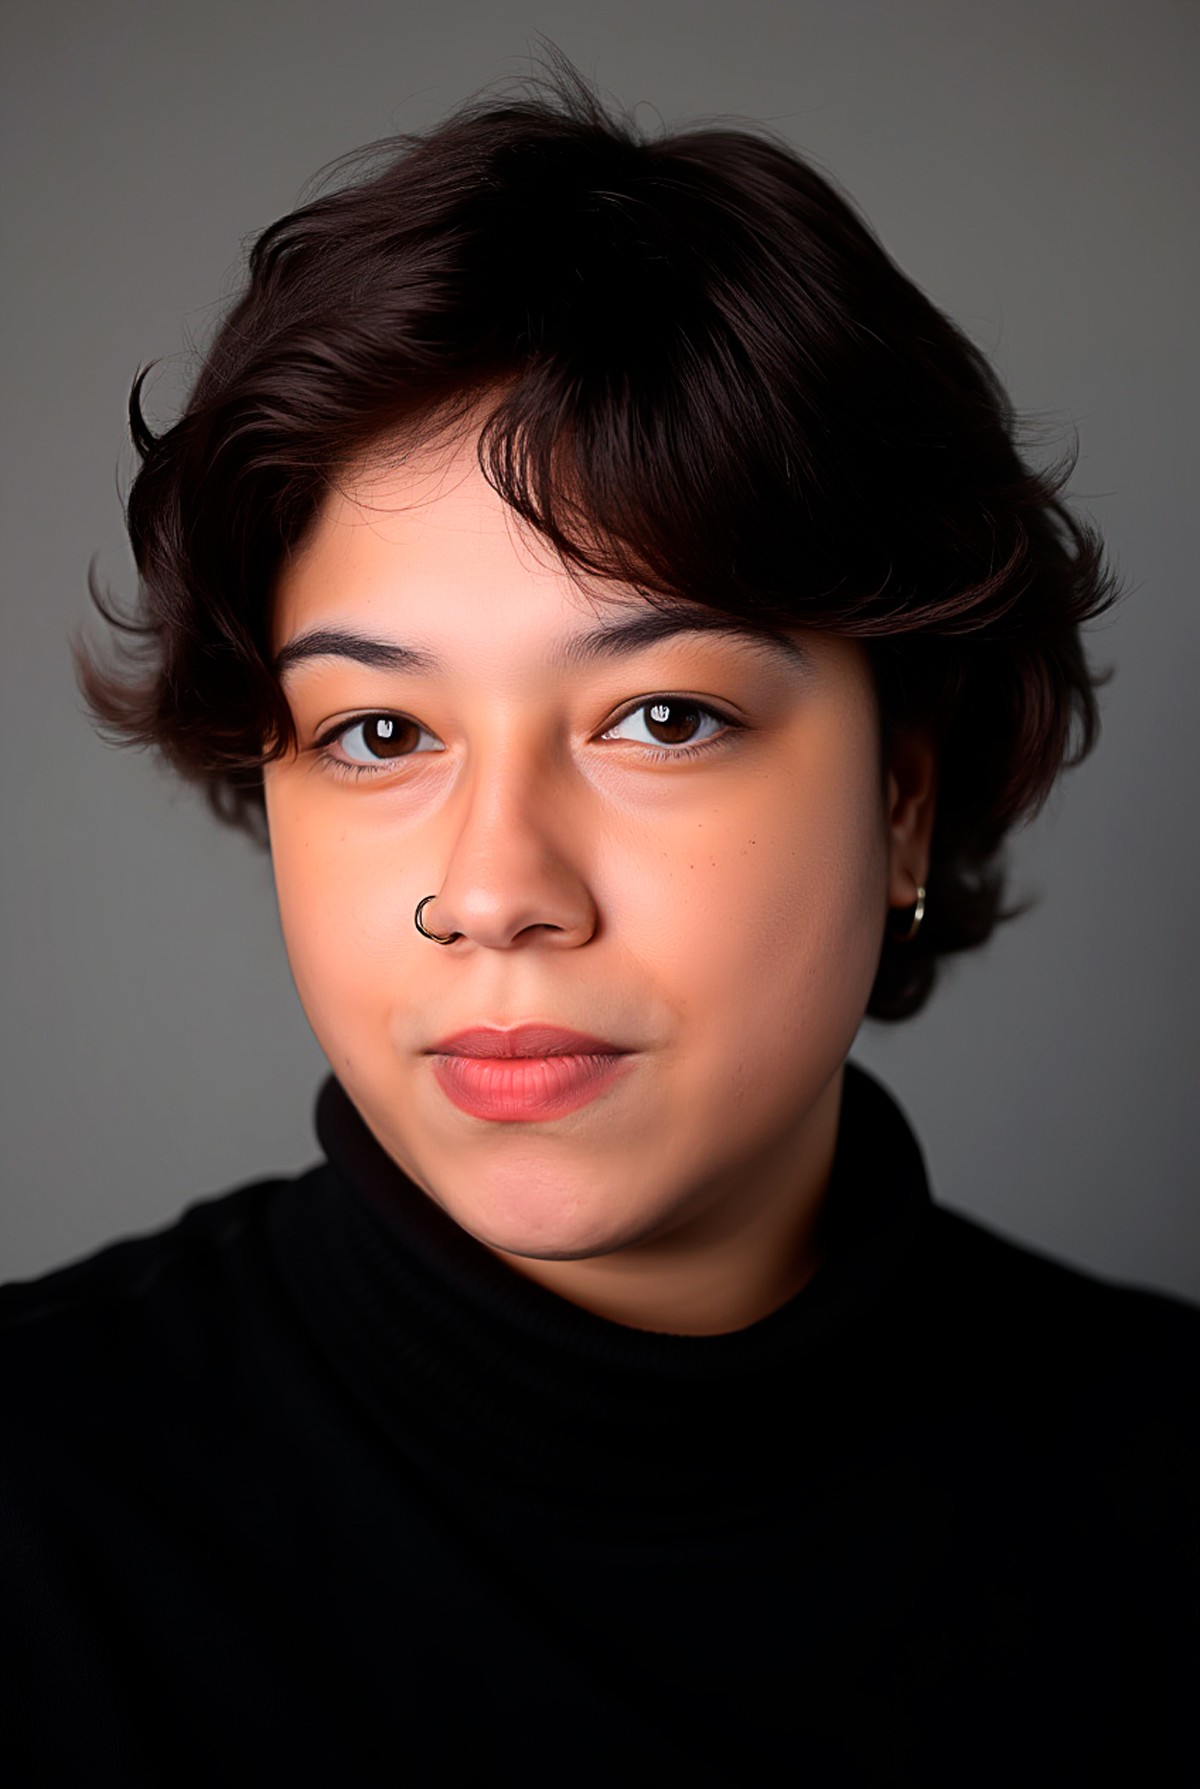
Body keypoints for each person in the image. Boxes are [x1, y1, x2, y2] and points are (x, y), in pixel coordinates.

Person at [2, 52, 1196, 1787]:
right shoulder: (41, 1507)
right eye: (380, 733)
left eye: (664, 717)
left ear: (903, 799)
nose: (493, 888)